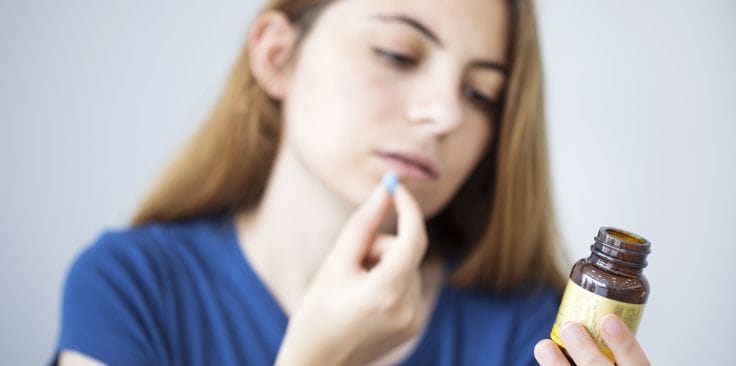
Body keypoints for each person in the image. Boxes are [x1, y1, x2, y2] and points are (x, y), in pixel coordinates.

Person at [54, 0, 652, 365]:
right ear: (277, 56)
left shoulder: (531, 329)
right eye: (398, 54)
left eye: (480, 94)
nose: (446, 114)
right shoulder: (129, 288)